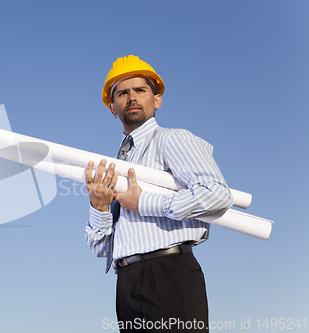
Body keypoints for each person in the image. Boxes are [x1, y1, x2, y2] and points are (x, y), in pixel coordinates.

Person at [84, 55, 233, 332]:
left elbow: (217, 193)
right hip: (127, 281)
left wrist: (144, 202)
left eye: (140, 90)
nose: (131, 97)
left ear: (157, 99)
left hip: (168, 271)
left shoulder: (171, 139)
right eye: (122, 93)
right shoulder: (115, 166)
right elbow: (101, 249)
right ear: (112, 107)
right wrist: (99, 208)